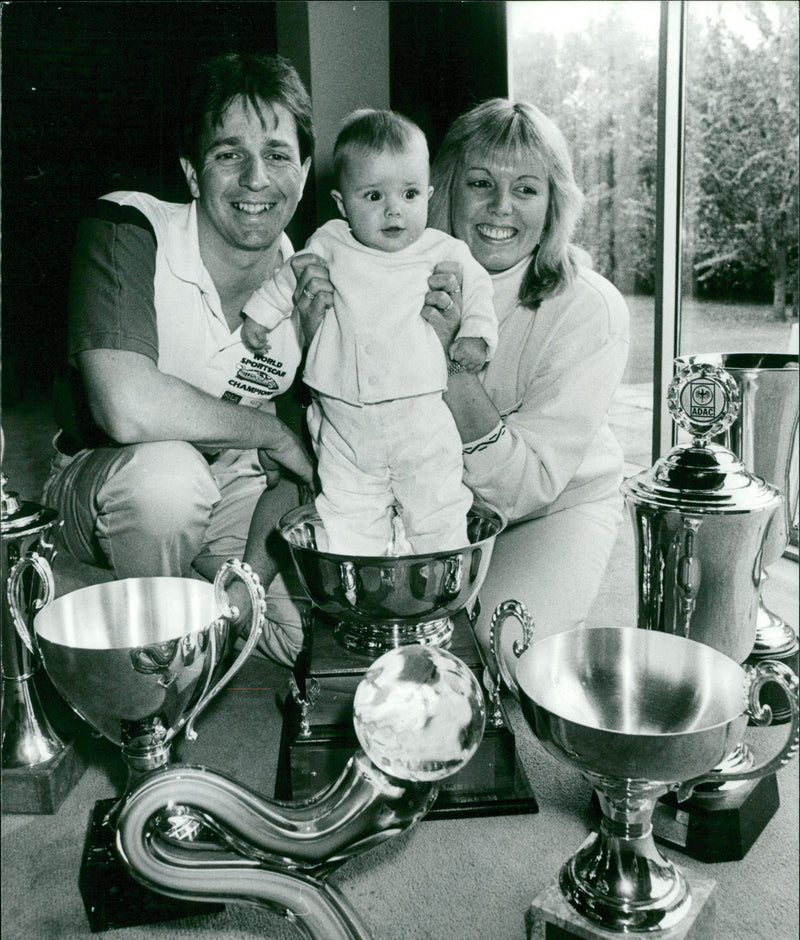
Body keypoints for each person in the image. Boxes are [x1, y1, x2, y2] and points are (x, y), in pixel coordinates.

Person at [293, 98, 629, 666]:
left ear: (553, 205)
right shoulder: (375, 260)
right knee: (306, 621)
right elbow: (339, 419)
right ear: (441, 188)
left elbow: (524, 488)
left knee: (496, 646)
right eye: (480, 183)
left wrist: (450, 361)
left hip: (547, 506)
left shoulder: (590, 307)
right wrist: (314, 335)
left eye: (526, 189)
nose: (501, 207)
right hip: (405, 480)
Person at [42, 52, 317, 666]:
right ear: (194, 174)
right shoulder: (129, 225)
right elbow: (125, 406)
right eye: (229, 154)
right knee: (168, 483)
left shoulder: (312, 284)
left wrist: (247, 582)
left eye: (277, 154)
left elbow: (297, 469)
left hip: (228, 481)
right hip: (108, 479)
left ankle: (171, 597)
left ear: (303, 169)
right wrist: (266, 430)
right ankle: (135, 639)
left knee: (300, 636)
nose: (255, 179)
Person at [240, 108, 497, 556]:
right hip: (344, 415)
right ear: (343, 204)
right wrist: (260, 316)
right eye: (374, 196)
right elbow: (291, 277)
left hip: (418, 410)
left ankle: (443, 572)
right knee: (346, 506)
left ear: (428, 196)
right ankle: (359, 581)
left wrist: (473, 334)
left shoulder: (443, 249)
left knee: (436, 501)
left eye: (410, 193)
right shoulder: (330, 241)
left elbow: (477, 290)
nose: (394, 209)